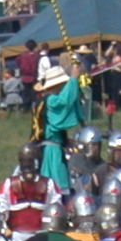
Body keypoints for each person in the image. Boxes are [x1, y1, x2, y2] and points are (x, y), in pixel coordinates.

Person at [31, 63, 85, 193]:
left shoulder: (46, 100)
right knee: (56, 187)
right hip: (51, 152)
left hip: (54, 147)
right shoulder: (51, 100)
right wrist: (73, 79)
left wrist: (65, 140)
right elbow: (64, 101)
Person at [16, 39, 40, 111]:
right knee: (34, 93)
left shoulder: (23, 56)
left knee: (26, 93)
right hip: (34, 77)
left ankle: (26, 107)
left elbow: (18, 61)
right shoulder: (37, 56)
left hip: (25, 77)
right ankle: (34, 107)